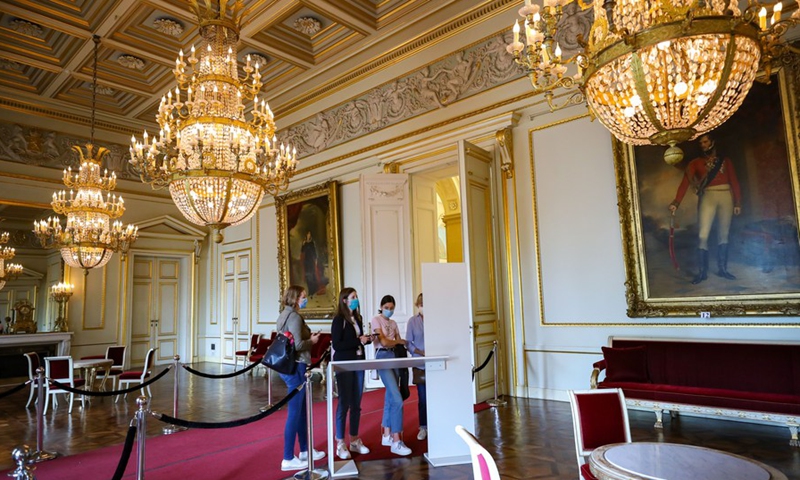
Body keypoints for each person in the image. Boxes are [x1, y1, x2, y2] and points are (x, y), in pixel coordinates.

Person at [669, 134, 742, 284]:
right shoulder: (695, 163)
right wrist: (676, 202)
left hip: (726, 196)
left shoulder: (725, 161)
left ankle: (723, 269)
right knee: (703, 235)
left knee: (724, 234)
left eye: (705, 141)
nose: (703, 144)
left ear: (712, 142)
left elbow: (734, 180)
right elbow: (685, 183)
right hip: (708, 197)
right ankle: (702, 273)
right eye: (700, 142)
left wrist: (738, 203)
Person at [276, 285, 325, 471]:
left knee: (301, 410)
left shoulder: (283, 315)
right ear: (295, 298)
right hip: (297, 365)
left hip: (291, 365)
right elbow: (296, 345)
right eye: (303, 296)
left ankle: (305, 450)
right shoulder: (295, 317)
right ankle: (287, 457)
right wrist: (311, 341)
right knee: (295, 412)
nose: (305, 299)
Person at [330, 287, 371, 460]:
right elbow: (337, 345)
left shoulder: (357, 318)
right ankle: (340, 441)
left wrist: (366, 341)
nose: (356, 299)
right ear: (344, 300)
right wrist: (357, 341)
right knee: (344, 403)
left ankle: (354, 439)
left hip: (358, 363)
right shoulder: (339, 320)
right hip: (344, 364)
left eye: (356, 296)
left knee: (356, 403)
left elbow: (357, 342)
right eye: (353, 297)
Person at [371, 294, 412, 456]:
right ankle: (396, 439)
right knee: (396, 398)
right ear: (381, 307)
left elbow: (399, 341)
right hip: (382, 357)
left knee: (390, 395)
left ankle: (386, 434)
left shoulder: (393, 323)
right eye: (386, 307)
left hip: (395, 357)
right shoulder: (376, 320)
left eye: (391, 308)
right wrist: (398, 342)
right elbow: (385, 342)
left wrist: (398, 342)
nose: (389, 310)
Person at [405, 293, 427, 441]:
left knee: (437, 396)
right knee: (423, 397)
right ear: (418, 305)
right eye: (421, 304)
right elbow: (408, 343)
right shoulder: (412, 321)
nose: (423, 307)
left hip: (436, 362)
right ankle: (423, 427)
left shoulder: (437, 319)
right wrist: (420, 351)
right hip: (420, 363)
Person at [301, 231, 319, 296]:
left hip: (311, 261)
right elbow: (302, 251)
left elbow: (314, 252)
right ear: (306, 235)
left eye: (310, 234)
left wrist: (316, 260)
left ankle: (312, 290)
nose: (309, 235)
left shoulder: (312, 243)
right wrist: (303, 245)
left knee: (312, 275)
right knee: (307, 276)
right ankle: (310, 290)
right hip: (306, 261)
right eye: (308, 234)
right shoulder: (304, 243)